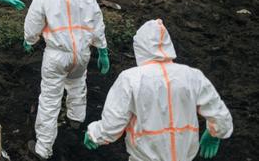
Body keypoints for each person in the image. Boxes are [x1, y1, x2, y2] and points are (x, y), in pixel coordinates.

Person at [84, 19, 233, 161]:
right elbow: (218, 112)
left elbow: (112, 125)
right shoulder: (192, 76)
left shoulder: (131, 79)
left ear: (140, 47)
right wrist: (216, 133)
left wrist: (94, 134)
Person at [24, 0, 108, 160]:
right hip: (82, 53)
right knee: (78, 84)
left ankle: (43, 148)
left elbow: (33, 23)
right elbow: (97, 24)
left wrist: (29, 40)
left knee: (50, 99)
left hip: (57, 54)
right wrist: (103, 50)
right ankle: (76, 120)